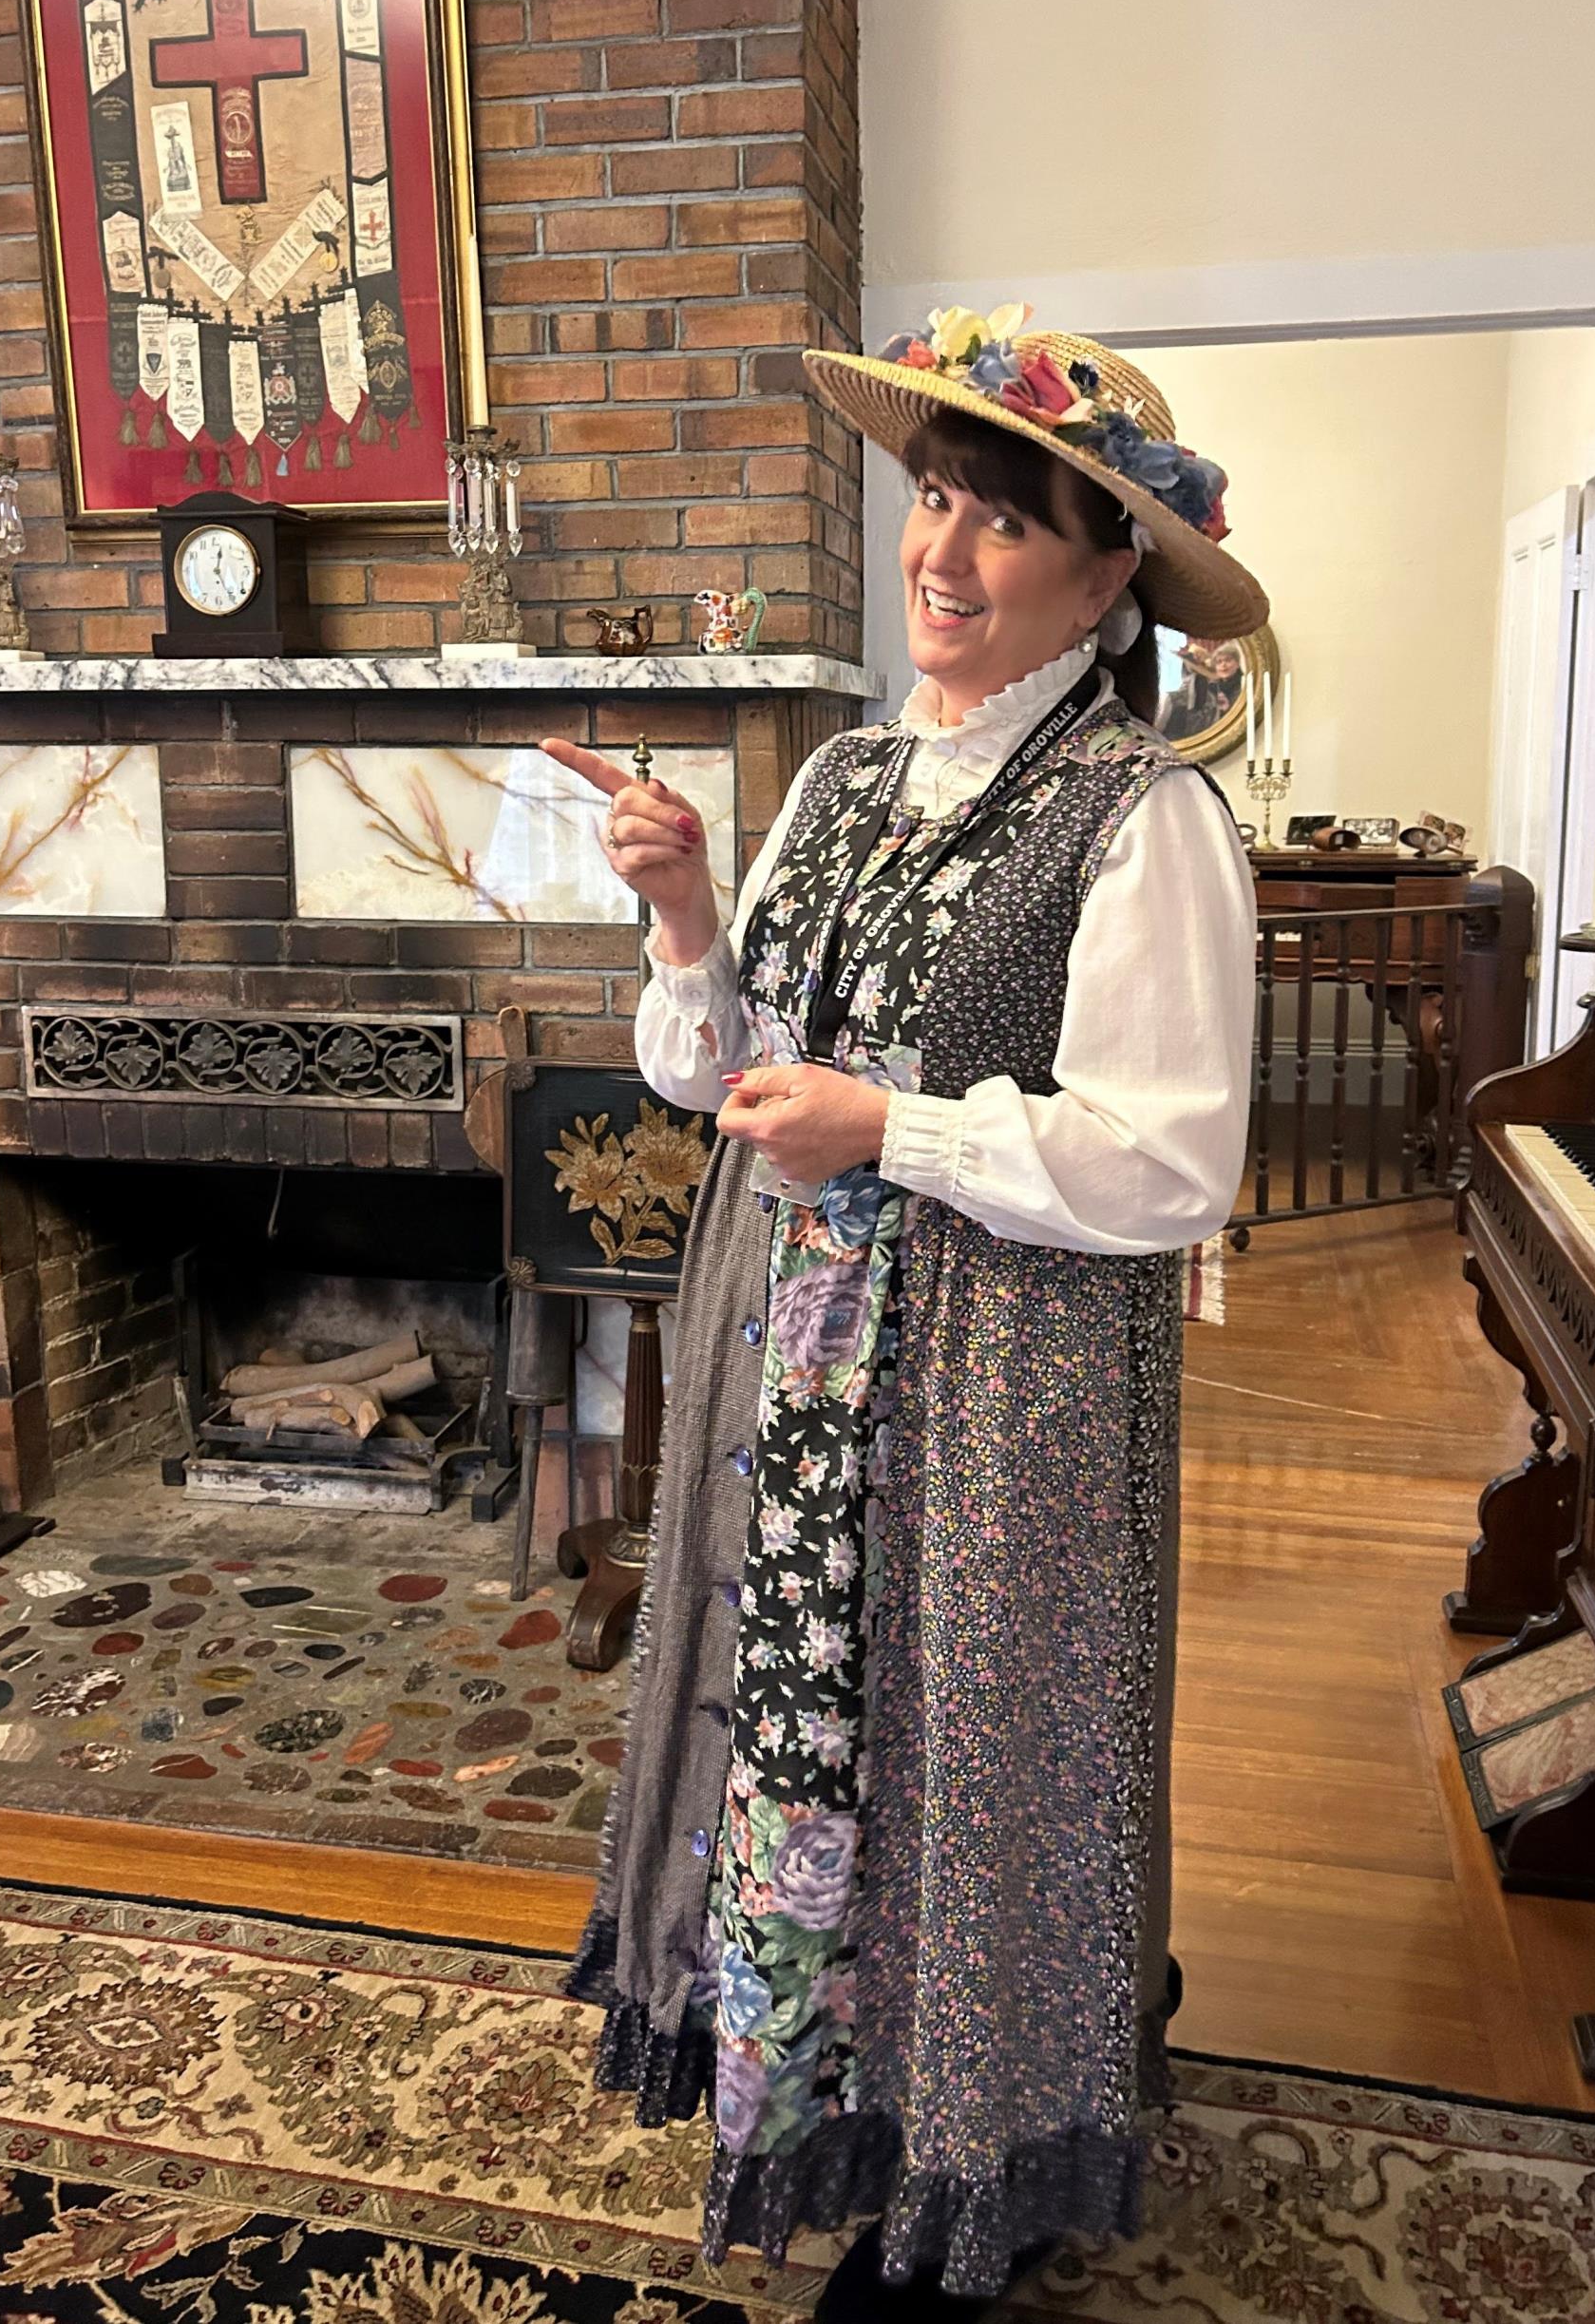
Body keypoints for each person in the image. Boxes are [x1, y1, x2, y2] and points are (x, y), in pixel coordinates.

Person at [548, 309, 1266, 2320]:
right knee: (808, 1748)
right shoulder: (852, 777)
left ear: (1108, 573)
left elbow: (1172, 1159)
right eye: (930, 501)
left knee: (978, 1754)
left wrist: (900, 1126)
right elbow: (727, 1073)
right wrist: (688, 914)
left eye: (998, 520)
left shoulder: (1142, 815)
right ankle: (831, 2095)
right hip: (795, 1355)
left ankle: (980, 2157)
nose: (937, 555)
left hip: (1001, 1384)